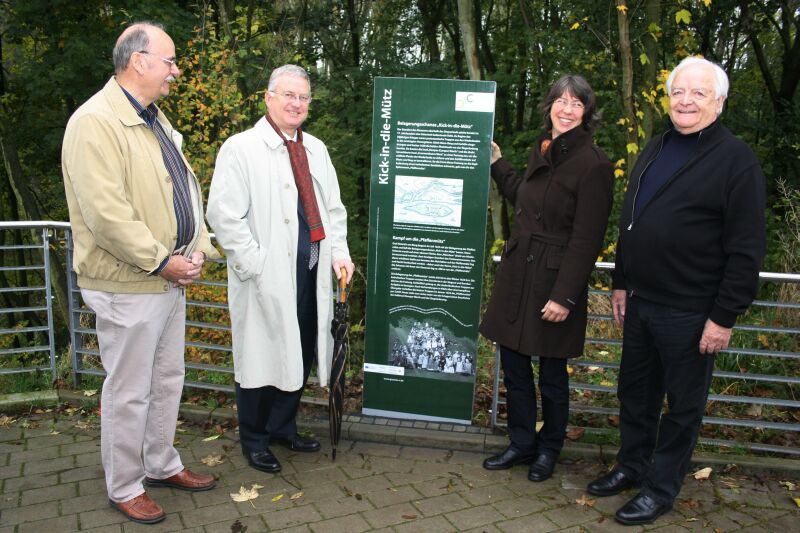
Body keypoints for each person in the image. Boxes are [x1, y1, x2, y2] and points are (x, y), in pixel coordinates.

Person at [586, 57, 766, 526]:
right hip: (642, 302)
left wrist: (724, 316)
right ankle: (631, 465)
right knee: (635, 394)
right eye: (678, 92)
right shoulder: (657, 144)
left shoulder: (735, 160)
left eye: (698, 93)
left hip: (692, 310)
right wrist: (621, 280)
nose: (685, 101)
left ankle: (660, 488)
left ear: (719, 101)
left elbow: (747, 250)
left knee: (682, 407)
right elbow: (633, 220)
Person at [61, 22, 220, 525]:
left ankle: (160, 462)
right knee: (130, 389)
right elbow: (106, 214)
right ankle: (125, 485)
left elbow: (180, 193)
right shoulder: (95, 122)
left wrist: (197, 249)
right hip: (130, 282)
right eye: (170, 61)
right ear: (138, 62)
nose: (176, 71)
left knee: (167, 379)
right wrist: (159, 259)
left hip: (167, 278)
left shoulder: (154, 118)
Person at [207, 64, 354, 474]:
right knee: (260, 357)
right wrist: (256, 264)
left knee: (300, 350)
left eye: (304, 97)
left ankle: (282, 427)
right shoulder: (241, 148)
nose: (297, 103)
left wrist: (339, 253)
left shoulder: (316, 149)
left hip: (311, 271)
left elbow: (334, 211)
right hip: (265, 277)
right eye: (288, 95)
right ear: (268, 97)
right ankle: (254, 439)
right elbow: (223, 217)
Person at [480, 75, 614, 482]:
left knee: (552, 376)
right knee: (516, 367)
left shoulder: (595, 164)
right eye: (561, 100)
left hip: (555, 281)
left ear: (587, 112)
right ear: (550, 106)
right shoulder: (541, 149)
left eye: (577, 103)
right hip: (520, 272)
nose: (567, 109)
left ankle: (549, 449)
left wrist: (565, 296)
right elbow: (525, 197)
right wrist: (497, 164)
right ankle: (522, 443)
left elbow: (588, 239)